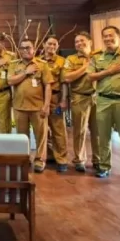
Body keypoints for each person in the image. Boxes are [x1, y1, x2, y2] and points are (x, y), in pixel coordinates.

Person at [86, 26, 120, 180]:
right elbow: (90, 77)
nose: (108, 39)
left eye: (111, 36)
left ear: (119, 36)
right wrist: (109, 71)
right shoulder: (96, 57)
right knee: (103, 136)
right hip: (103, 100)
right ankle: (104, 166)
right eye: (105, 36)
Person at [8, 38, 52, 173]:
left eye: (28, 47)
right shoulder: (14, 65)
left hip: (38, 107)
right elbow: (10, 81)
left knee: (41, 136)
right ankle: (24, 159)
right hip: (19, 107)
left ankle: (39, 160)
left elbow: (48, 85)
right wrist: (26, 72)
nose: (25, 50)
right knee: (22, 136)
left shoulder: (42, 65)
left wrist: (46, 105)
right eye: (22, 48)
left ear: (33, 49)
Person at [62, 32, 100, 173]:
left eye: (82, 40)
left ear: (90, 41)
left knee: (98, 131)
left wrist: (90, 60)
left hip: (97, 97)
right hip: (79, 97)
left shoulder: (99, 56)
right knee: (80, 130)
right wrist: (85, 67)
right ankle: (79, 159)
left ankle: (98, 159)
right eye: (76, 41)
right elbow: (67, 77)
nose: (79, 43)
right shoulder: (71, 59)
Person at [42, 35, 69, 172]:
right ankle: (48, 156)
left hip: (56, 98)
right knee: (42, 130)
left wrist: (63, 100)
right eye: (49, 44)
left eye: (54, 44)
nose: (51, 47)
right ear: (44, 45)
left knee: (58, 130)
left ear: (57, 47)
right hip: (40, 100)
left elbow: (64, 82)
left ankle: (62, 159)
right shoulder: (39, 61)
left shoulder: (62, 61)